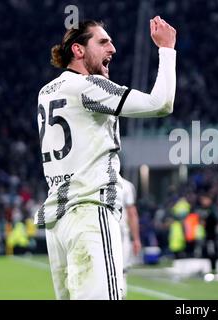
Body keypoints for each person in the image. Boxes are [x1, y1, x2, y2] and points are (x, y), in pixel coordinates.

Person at [35, 17, 176, 299]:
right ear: (78, 50)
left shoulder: (46, 92)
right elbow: (160, 103)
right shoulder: (88, 86)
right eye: (102, 41)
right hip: (90, 213)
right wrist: (167, 49)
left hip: (57, 224)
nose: (112, 48)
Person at [120, 177, 142, 299]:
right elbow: (132, 213)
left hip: (103, 233)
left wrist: (136, 239)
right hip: (120, 233)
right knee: (121, 272)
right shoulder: (125, 185)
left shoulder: (95, 180)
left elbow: (132, 213)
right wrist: (136, 239)